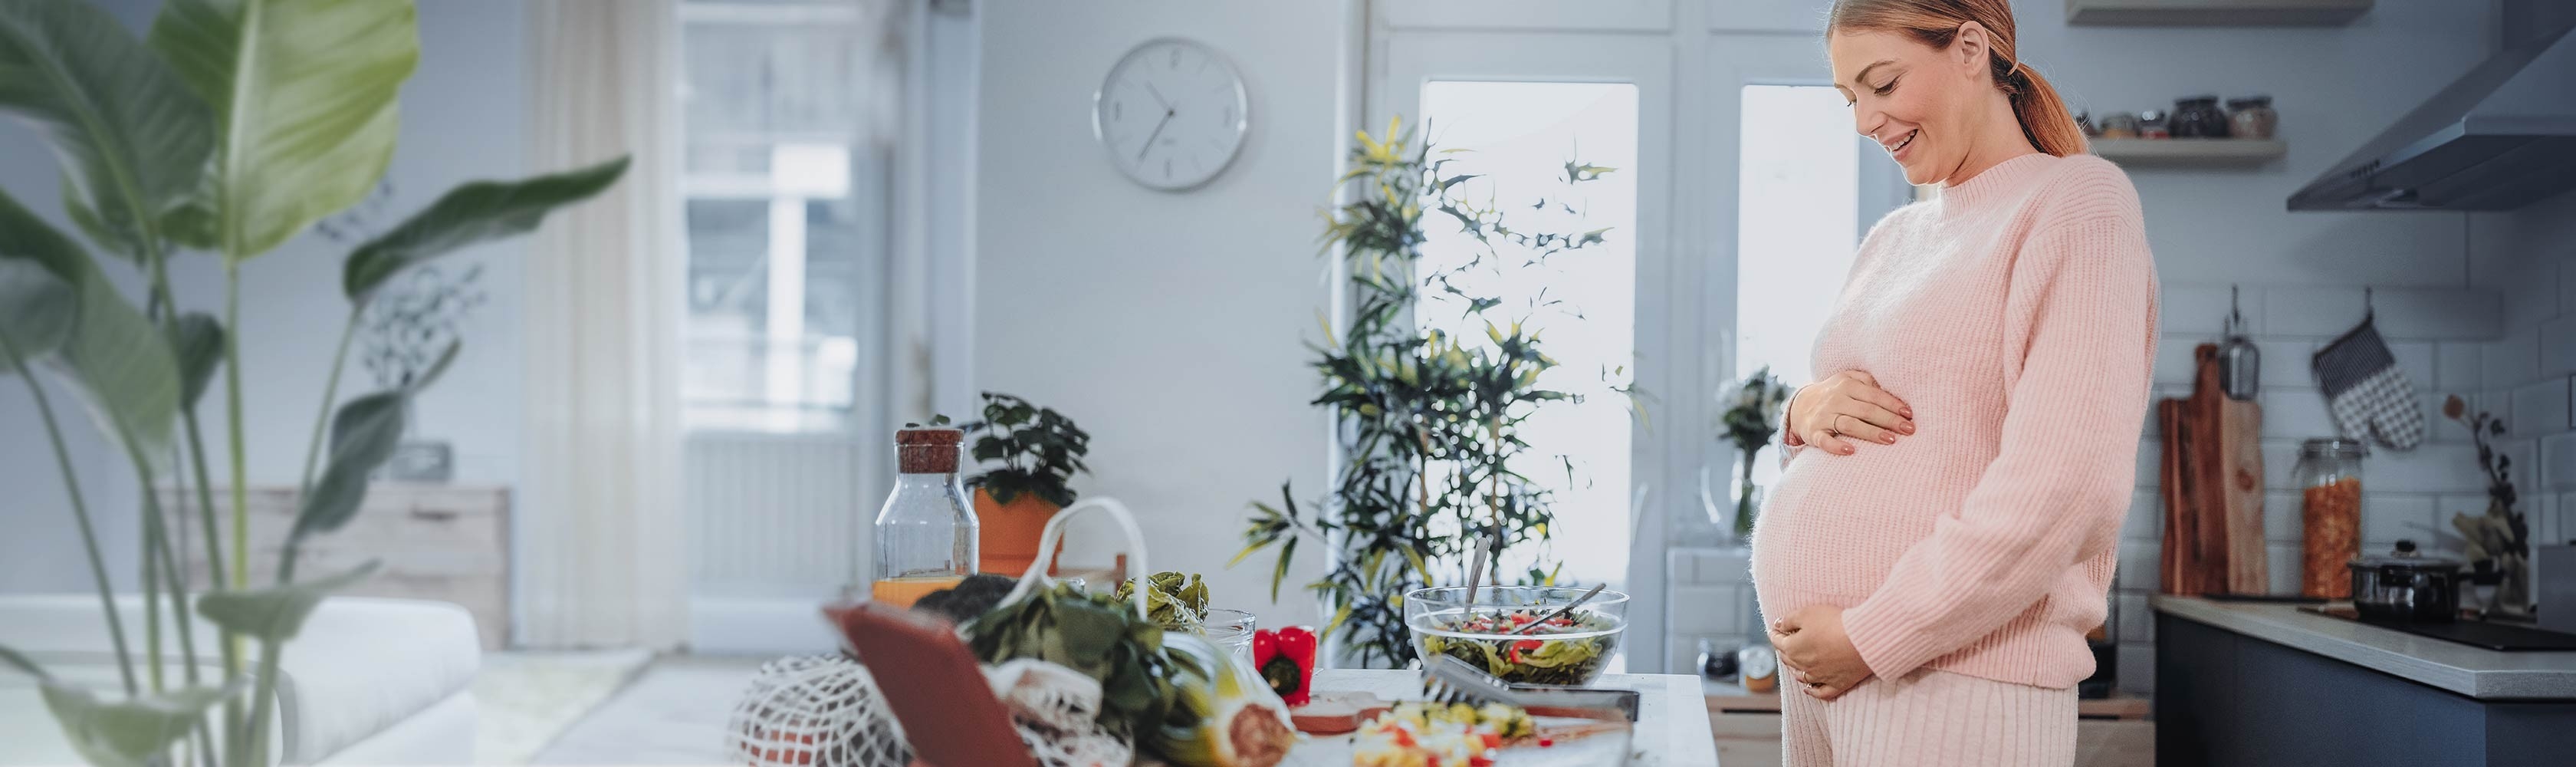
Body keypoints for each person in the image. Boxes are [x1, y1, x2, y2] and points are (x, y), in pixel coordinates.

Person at [1749, 1, 2160, 764]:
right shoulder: (1894, 238)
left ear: (1970, 48)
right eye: (1851, 98)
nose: (1865, 120)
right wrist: (1802, 412)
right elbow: (1862, 427)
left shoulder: (2076, 204)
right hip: (1837, 678)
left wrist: (1873, 635)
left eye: (1883, 83)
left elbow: (2066, 487)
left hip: (1955, 679)